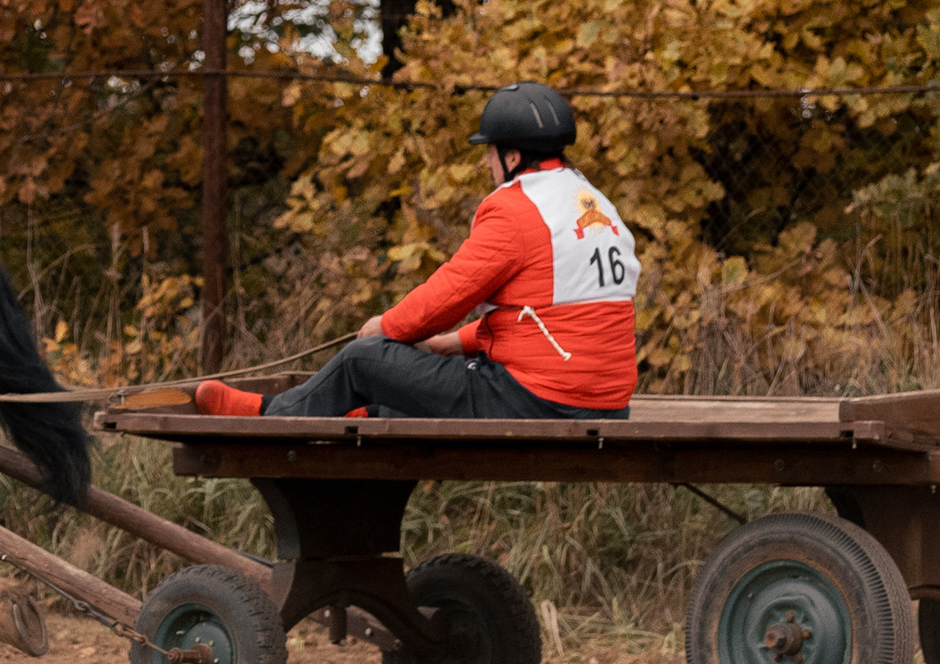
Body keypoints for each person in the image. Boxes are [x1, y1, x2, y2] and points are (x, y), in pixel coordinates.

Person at [197, 83, 638, 421]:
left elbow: (447, 297)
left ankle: (269, 415)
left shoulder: (516, 208)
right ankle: (350, 413)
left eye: (489, 153)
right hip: (604, 402)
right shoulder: (593, 202)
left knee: (362, 359)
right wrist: (454, 344)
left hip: (540, 401)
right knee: (399, 403)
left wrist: (384, 327)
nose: (487, 165)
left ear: (512, 155)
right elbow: (552, 311)